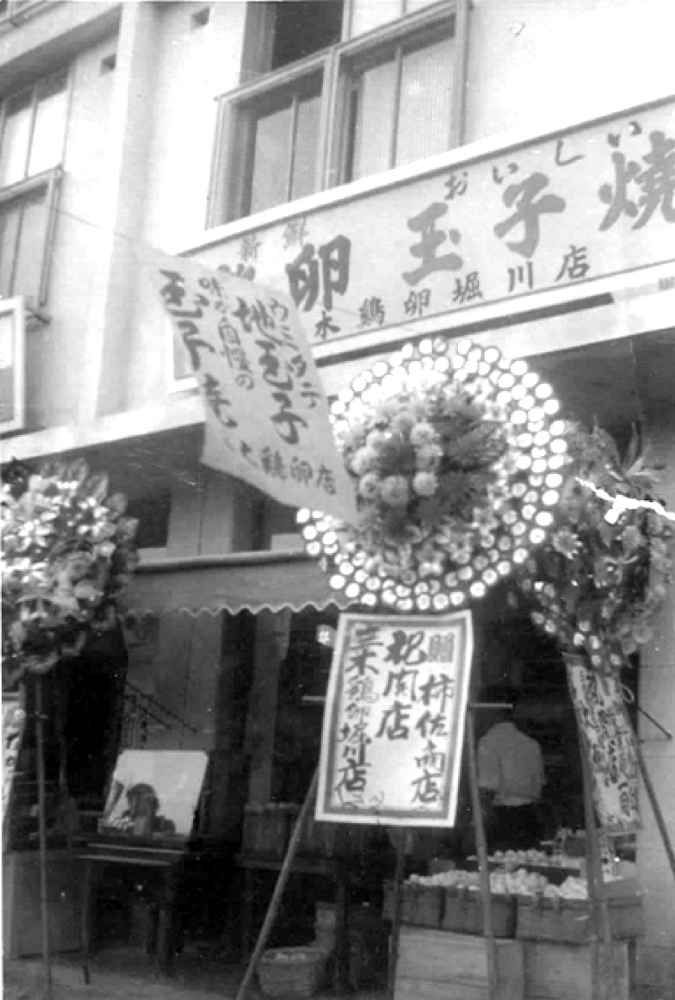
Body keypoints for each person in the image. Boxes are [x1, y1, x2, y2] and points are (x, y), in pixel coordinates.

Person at [476, 683, 545, 851]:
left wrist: (477, 825)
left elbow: (487, 789)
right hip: (531, 817)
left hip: (503, 820)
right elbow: (541, 784)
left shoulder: (488, 742)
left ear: (492, 709)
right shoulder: (531, 744)